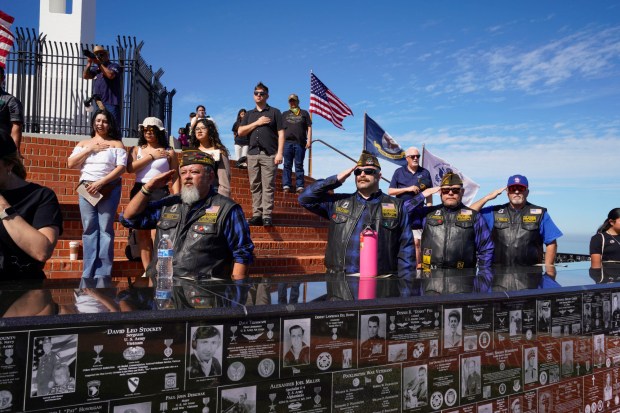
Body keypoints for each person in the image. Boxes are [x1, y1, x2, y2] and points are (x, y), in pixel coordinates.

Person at [120, 150, 254, 282]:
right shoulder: (168, 204)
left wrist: (238, 289)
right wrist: (147, 188)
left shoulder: (227, 209)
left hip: (203, 292)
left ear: (210, 177)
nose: (187, 176)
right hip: (162, 288)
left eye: (194, 172)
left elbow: (242, 253)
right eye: (183, 172)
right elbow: (128, 219)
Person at [299, 151, 414, 278]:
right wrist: (336, 180)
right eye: (358, 172)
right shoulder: (337, 203)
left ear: (379, 176)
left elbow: (406, 249)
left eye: (369, 171)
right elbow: (304, 199)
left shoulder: (397, 206)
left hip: (382, 281)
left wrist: (406, 286)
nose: (362, 174)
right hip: (340, 282)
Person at [67, 109, 126, 281]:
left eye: (105, 121)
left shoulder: (116, 144)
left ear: (110, 124)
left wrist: (102, 182)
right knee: (89, 228)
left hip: (108, 188)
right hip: (86, 189)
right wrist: (90, 149)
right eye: (98, 120)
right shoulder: (84, 143)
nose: (101, 124)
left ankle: (103, 272)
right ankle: (88, 271)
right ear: (93, 122)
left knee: (105, 229)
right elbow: (71, 163)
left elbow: (121, 168)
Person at [0, 131, 62, 280]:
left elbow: (42, 251)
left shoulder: (41, 197)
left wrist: (2, 206)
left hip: (24, 291)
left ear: (9, 164)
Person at [470, 175, 563, 274]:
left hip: (530, 279)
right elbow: (468, 214)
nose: (517, 192)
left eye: (521, 188)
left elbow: (551, 243)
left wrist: (549, 272)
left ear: (527, 192)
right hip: (498, 279)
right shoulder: (494, 212)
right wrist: (487, 197)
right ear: (507, 192)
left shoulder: (540, 214)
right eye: (513, 188)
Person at [406, 170, 494, 270]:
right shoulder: (427, 214)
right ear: (440, 192)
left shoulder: (475, 217)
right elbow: (402, 214)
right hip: (430, 279)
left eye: (455, 190)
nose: (450, 193)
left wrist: (484, 277)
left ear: (462, 192)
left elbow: (486, 249)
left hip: (463, 280)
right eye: (446, 190)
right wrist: (422, 195)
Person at [127, 117, 179, 272]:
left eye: (152, 130)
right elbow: (130, 169)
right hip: (140, 191)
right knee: (142, 235)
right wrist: (152, 156)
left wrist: (177, 196)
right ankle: (148, 272)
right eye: (145, 130)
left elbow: (176, 176)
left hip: (161, 193)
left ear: (159, 132)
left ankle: (162, 270)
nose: (148, 133)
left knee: (161, 235)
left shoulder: (169, 152)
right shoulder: (136, 150)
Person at [237, 82, 284, 227]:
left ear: (267, 96)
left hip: (269, 154)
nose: (258, 95)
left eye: (262, 93)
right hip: (252, 154)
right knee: (254, 185)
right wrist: (257, 123)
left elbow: (281, 134)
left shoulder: (275, 112)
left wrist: (279, 153)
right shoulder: (250, 114)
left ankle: (267, 215)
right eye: (256, 93)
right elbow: (240, 131)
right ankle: (256, 214)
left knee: (268, 185)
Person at [388, 146, 433, 269]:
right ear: (407, 158)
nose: (415, 158)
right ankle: (400, 267)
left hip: (418, 213)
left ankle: (418, 267)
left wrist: (429, 210)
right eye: (412, 156)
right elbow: (390, 191)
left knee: (417, 242)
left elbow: (429, 194)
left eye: (417, 156)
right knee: (403, 240)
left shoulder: (425, 173)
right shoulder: (398, 172)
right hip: (402, 212)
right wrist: (408, 188)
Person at [82, 46, 122, 129]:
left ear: (107, 55)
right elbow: (86, 76)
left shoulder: (114, 66)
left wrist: (99, 63)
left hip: (111, 102)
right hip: (99, 103)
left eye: (101, 54)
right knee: (100, 127)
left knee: (113, 127)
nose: (99, 56)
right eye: (97, 55)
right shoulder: (97, 68)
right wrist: (89, 63)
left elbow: (110, 75)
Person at [190, 118, 231, 198]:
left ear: (210, 131)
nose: (199, 131)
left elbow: (224, 182)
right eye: (197, 129)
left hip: (213, 196)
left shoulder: (219, 152)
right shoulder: (191, 152)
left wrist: (221, 202)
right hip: (193, 195)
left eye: (203, 128)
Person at [281, 93, 312, 193]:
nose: (292, 102)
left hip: (300, 143)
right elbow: (280, 129)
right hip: (287, 143)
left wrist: (309, 139)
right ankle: (286, 185)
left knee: (299, 165)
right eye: (290, 101)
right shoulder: (284, 114)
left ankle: (300, 186)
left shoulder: (304, 113)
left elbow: (309, 127)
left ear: (298, 101)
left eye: (294, 100)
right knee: (287, 165)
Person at [0, 67, 24, 152]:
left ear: (2, 78)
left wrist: (15, 151)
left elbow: (16, 125)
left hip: (2, 149)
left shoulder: (11, 101)